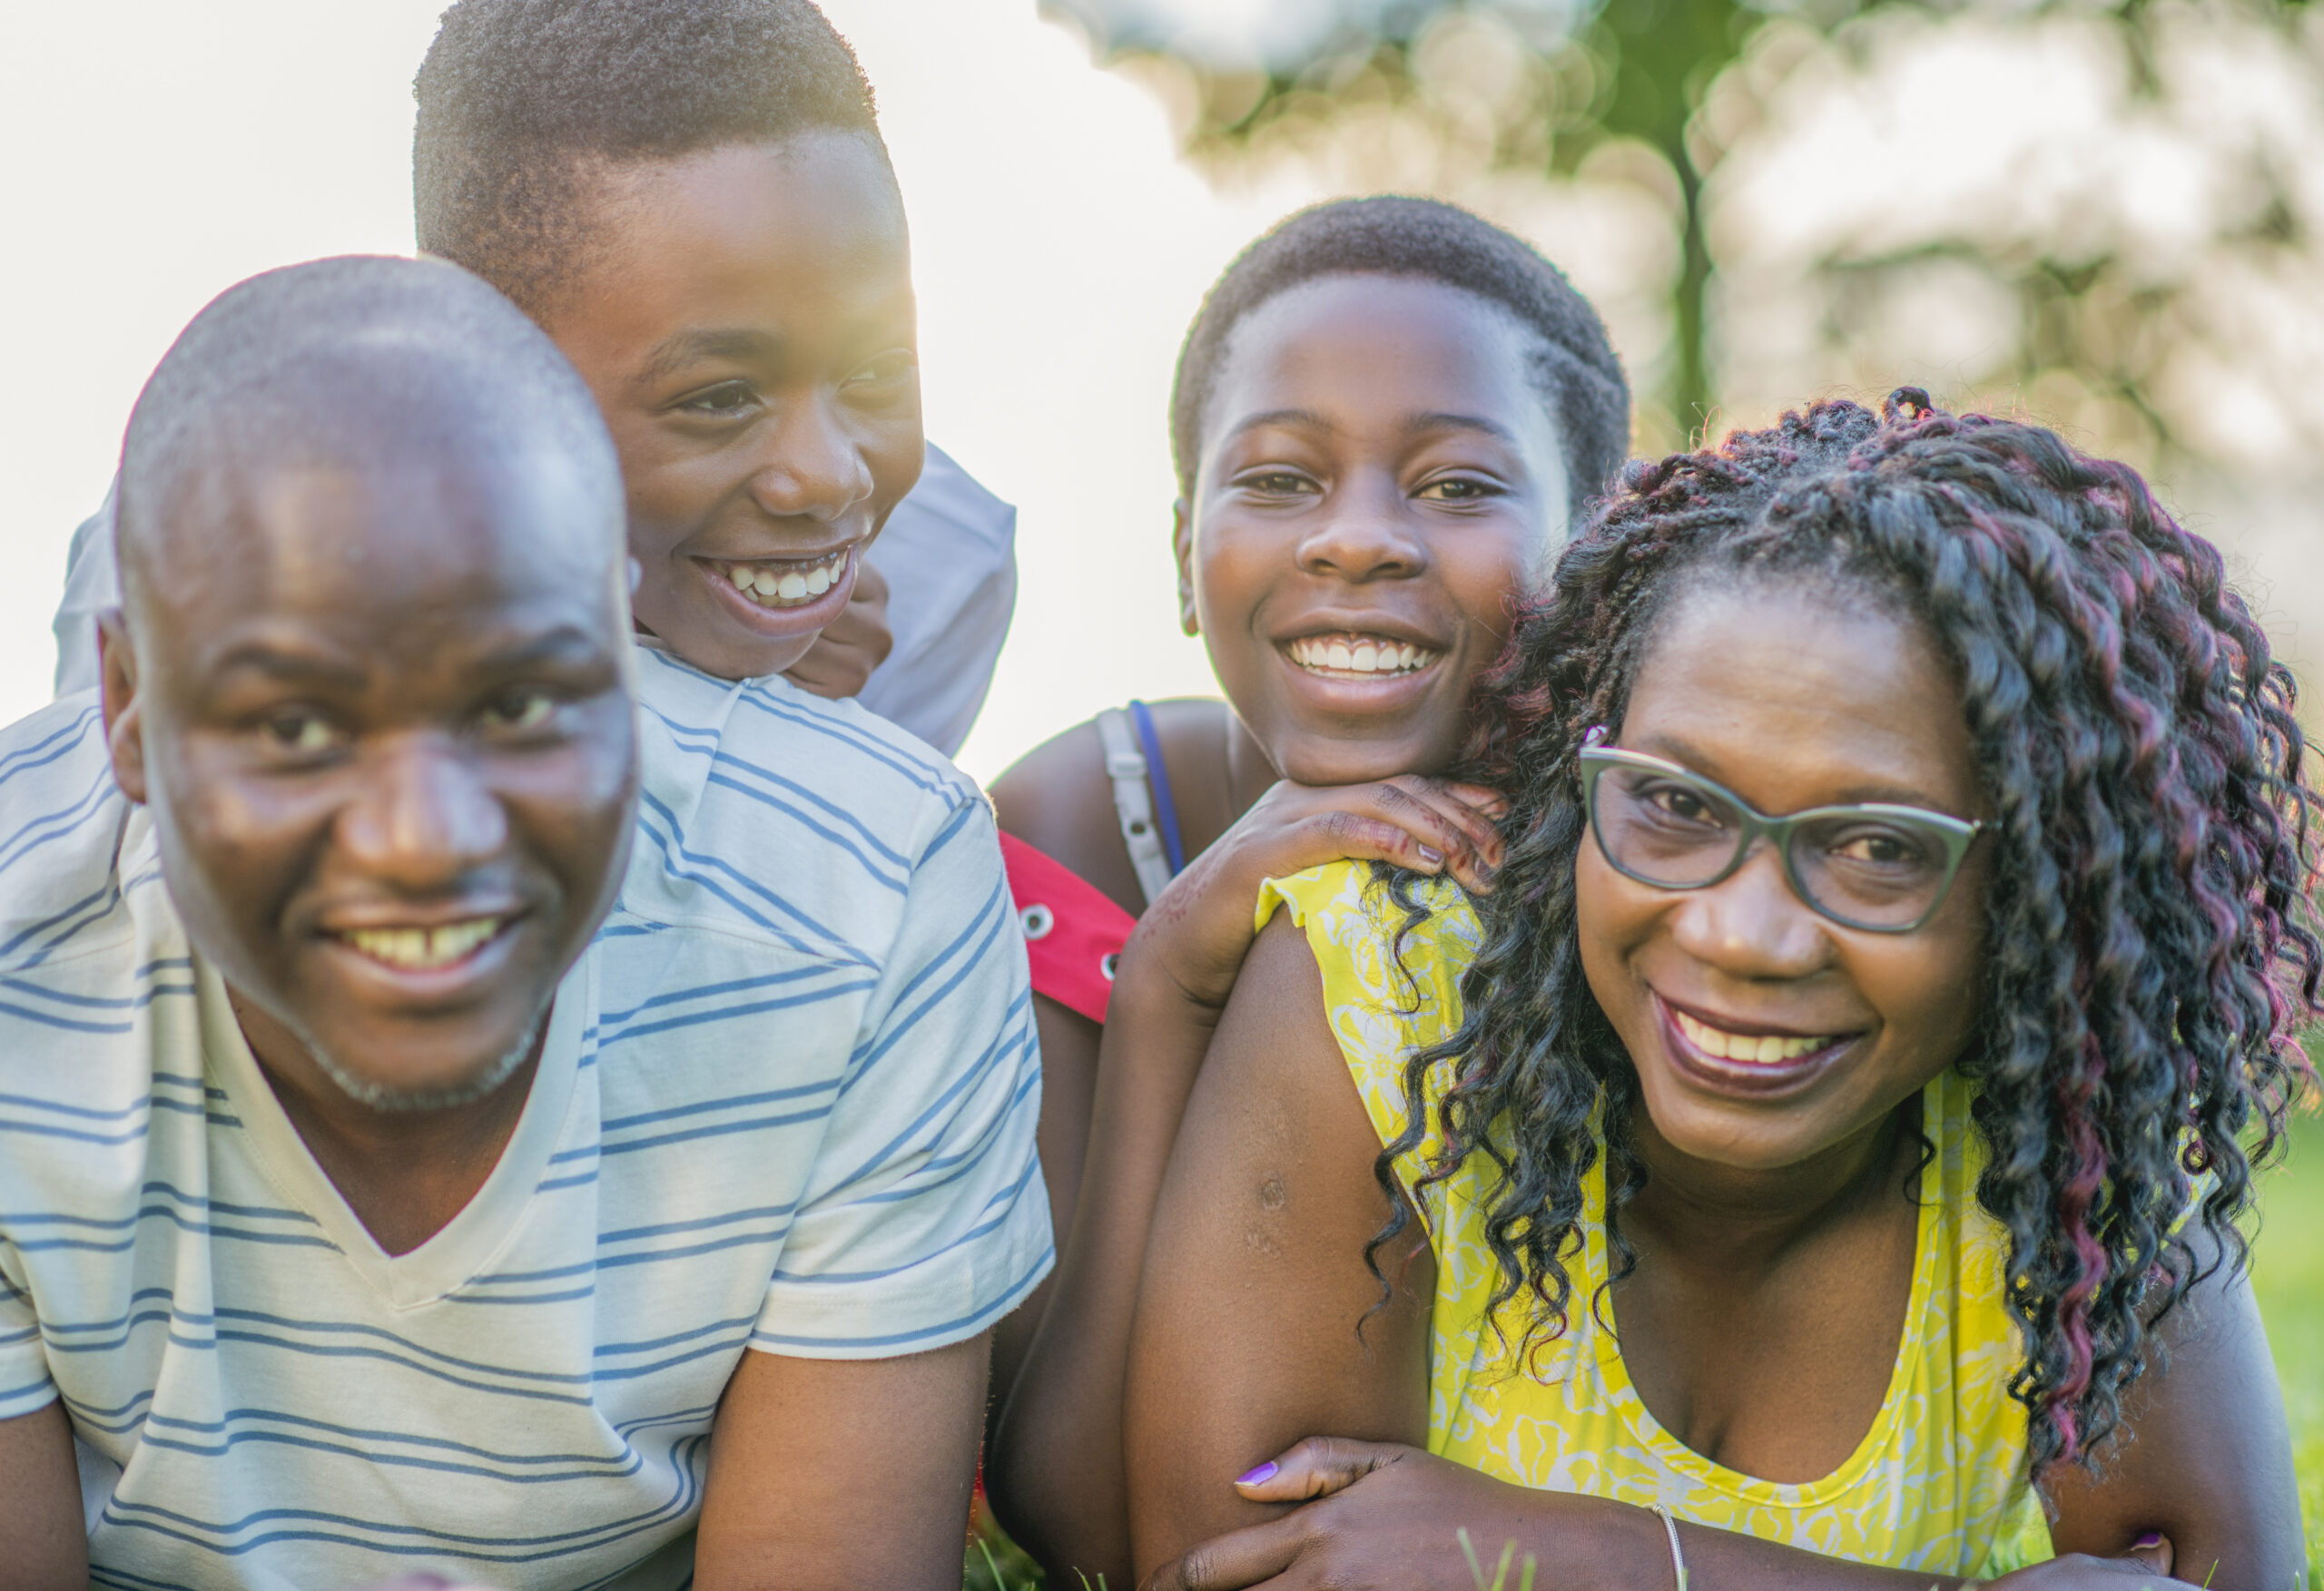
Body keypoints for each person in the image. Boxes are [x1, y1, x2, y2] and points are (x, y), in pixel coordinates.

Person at [1119, 394, 2311, 1588]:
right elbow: (1229, 1564)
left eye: (1878, 846)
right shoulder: (1388, 982)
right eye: (1676, 805)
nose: (1745, 935)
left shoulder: (2072, 1137)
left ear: (2038, 895)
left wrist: (1591, 1556)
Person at [0, 256, 1047, 1589]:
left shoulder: (875, 892)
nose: (426, 839)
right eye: (299, 725)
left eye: (519, 705)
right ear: (130, 704)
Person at [986, 196, 1630, 1582]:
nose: (1356, 540)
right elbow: (1082, 1522)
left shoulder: (1659, 855)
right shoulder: (1070, 826)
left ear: (1596, 556)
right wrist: (1163, 980)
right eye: (1280, 479)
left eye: (1459, 485)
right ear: (1180, 554)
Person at [50, 0, 1016, 761]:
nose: (830, 477)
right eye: (718, 397)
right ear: (472, 355)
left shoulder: (939, 573)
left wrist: (814, 739)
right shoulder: (226, 527)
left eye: (878, 369)